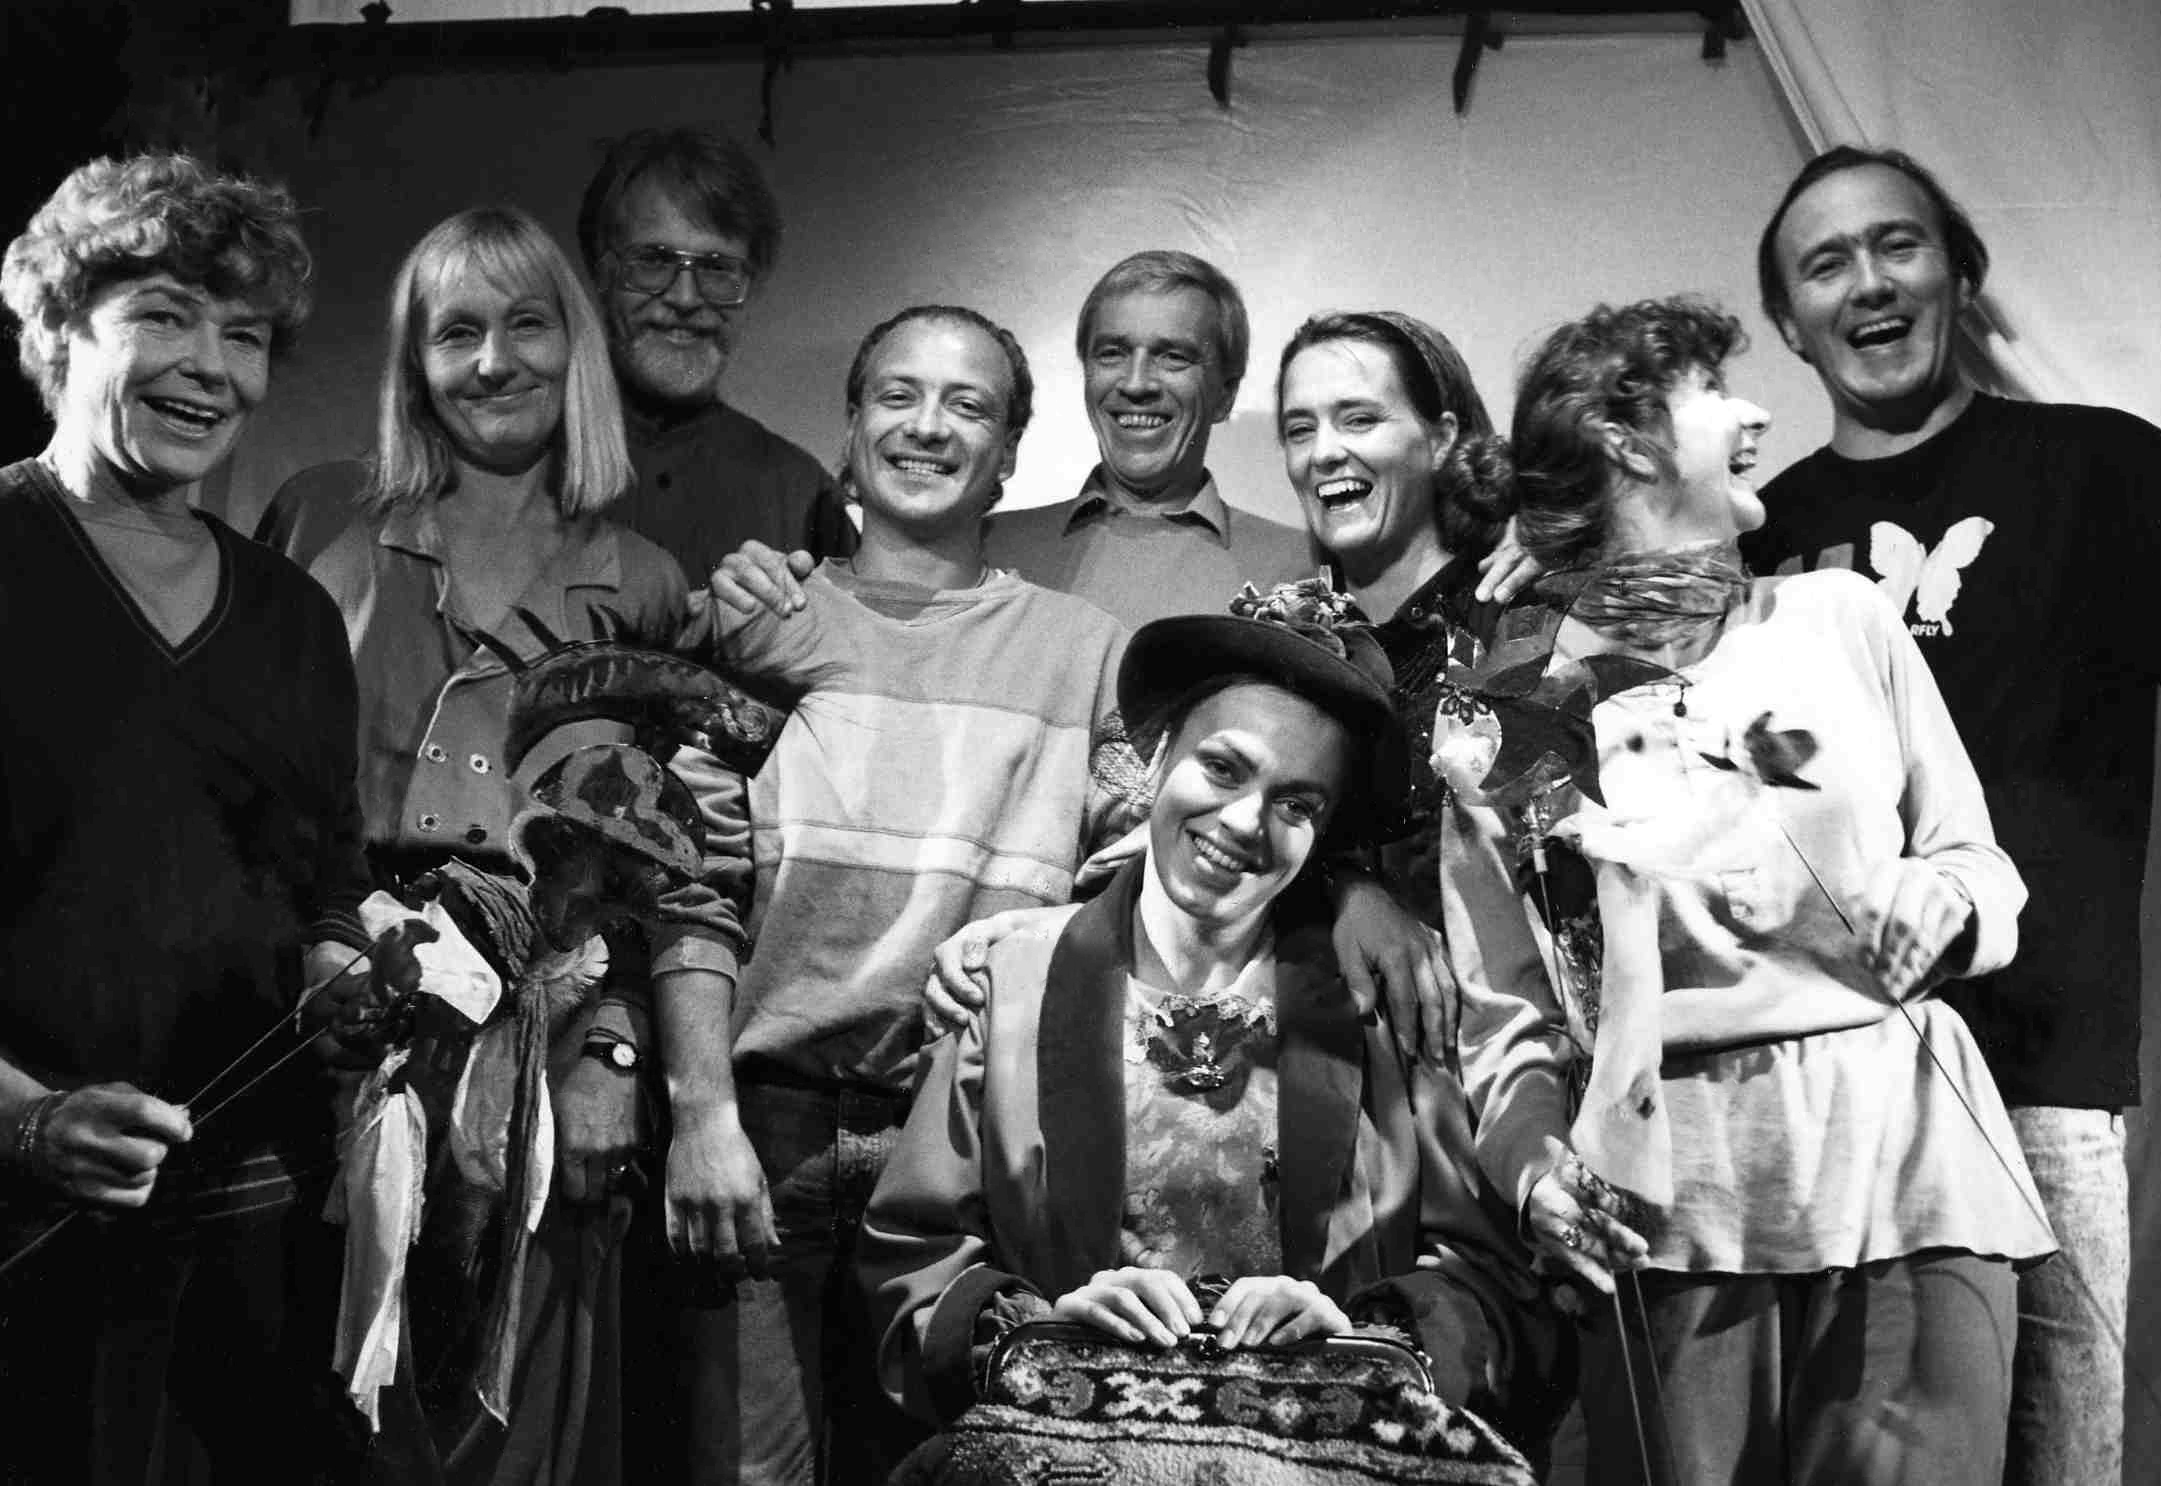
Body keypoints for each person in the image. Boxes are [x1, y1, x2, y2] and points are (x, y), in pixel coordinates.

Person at [1439, 295, 2053, 1484]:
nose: (1758, 412)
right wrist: (1532, 1171)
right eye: (1716, 392)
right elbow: (1505, 1018)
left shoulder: (1845, 617)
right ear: (1625, 441)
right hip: (1669, 1210)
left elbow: (1977, 863)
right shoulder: (1507, 713)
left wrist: (1951, 906)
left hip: (1907, 1171)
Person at [859, 592, 1561, 1460]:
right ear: (1157, 758)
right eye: (1223, 769)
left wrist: (1358, 1336)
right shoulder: (1010, 981)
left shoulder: (1382, 1003)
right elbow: (912, 1258)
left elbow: (1488, 1285)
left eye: (1296, 804)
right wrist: (1040, 1330)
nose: (1243, 822)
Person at [654, 305, 1135, 1485]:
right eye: (898, 395)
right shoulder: (758, 622)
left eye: (968, 405)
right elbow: (687, 883)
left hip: (970, 1138)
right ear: (851, 429)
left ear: (1009, 453)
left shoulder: (1084, 652)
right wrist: (701, 1113)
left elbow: (1129, 889)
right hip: (767, 1129)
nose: (927, 426)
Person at [289, 205, 731, 1482]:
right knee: (330, 1408)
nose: (493, 362)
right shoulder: (319, 523)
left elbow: (666, 872)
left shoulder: (643, 579)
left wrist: (611, 1052)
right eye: (457, 332)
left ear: (574, 349)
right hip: (340, 1014)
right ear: (413, 360)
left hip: (545, 1036)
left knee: (511, 1422)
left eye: (527, 325)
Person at [1740, 145, 2158, 1486]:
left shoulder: (2103, 467)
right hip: (1817, 1089)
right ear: (1787, 320)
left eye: (1897, 245)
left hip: (2038, 1076)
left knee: (2057, 1456)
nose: (1867, 282)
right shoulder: (1757, 537)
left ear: (1958, 276)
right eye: (1825, 264)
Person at [0, 152, 375, 1482]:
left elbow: (328, 880)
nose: (210, 366)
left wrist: (342, 967)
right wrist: (24, 1119)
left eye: (247, 334)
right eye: (163, 315)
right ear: (59, 328)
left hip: (251, 1212)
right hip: (24, 1222)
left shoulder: (295, 618)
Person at [260, 126, 853, 574]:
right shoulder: (498, 436)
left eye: (719, 268)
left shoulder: (800, 494)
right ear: (598, 271)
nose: (685, 297)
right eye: (653, 261)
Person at [981, 250, 1312, 628]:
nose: (1136, 384)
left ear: (1225, 395)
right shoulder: (988, 545)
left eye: (1173, 357)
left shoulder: (1297, 569)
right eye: (1112, 354)